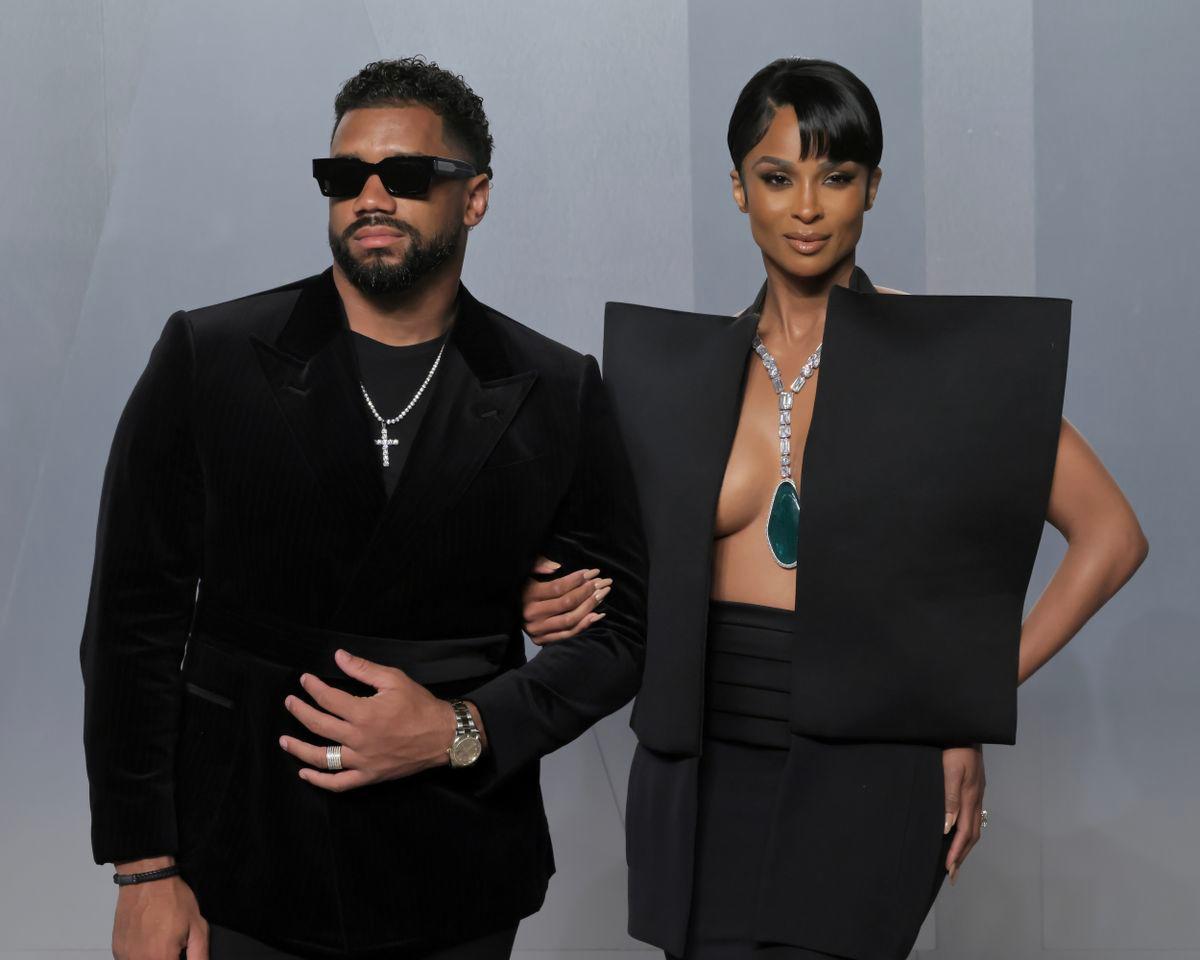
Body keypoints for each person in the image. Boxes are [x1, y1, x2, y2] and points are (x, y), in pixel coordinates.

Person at [521, 57, 1149, 959]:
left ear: (873, 188)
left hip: (872, 759)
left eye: (837, 176)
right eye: (777, 178)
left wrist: (966, 700)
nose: (807, 206)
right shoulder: (677, 375)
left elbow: (1111, 537)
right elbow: (618, 567)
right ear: (739, 190)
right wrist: (544, 603)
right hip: (698, 756)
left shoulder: (942, 365)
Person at [79, 57, 646, 960]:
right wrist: (144, 867)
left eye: (407, 176)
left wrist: (461, 732)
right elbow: (131, 623)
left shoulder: (556, 388)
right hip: (243, 859)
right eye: (344, 178)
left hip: (454, 864)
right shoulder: (211, 356)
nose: (370, 198)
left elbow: (622, 637)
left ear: (476, 196)